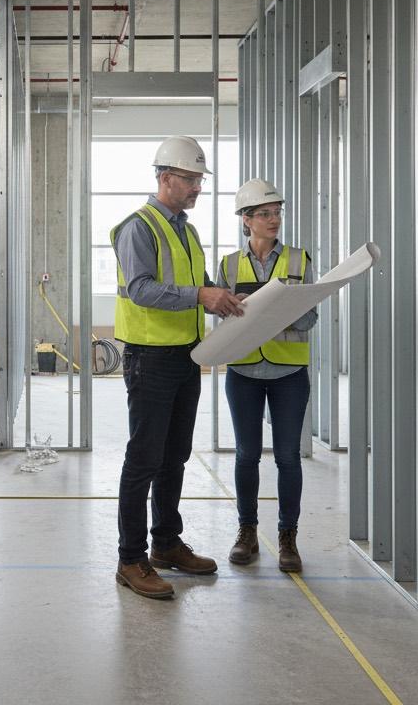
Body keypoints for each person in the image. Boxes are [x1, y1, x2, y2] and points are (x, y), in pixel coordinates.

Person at [110, 136, 245, 599]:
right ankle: (131, 559)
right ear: (165, 177)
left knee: (174, 457)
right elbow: (141, 289)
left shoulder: (186, 231)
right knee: (144, 459)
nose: (197, 188)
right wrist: (201, 295)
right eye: (190, 179)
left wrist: (221, 298)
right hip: (149, 358)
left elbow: (195, 285)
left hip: (187, 355)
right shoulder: (138, 228)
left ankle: (166, 543)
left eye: (199, 180)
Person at [218, 178, 316, 573]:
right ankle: (247, 532)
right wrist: (234, 308)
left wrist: (278, 312)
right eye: (264, 214)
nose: (273, 219)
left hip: (289, 371)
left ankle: (288, 537)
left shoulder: (299, 260)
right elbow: (220, 318)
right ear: (246, 219)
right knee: (247, 455)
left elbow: (310, 317)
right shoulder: (228, 265)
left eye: (277, 213)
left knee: (288, 457)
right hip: (243, 369)